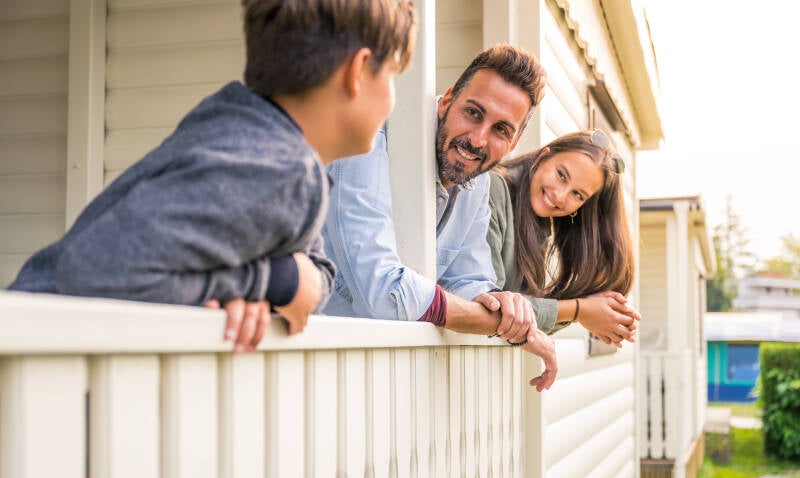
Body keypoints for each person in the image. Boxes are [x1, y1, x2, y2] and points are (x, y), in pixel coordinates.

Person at [7, 0, 418, 353]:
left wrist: (276, 282)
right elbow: (89, 271)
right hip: (33, 370)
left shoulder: (245, 127)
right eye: (393, 75)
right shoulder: (283, 169)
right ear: (359, 72)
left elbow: (315, 275)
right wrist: (267, 280)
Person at [322, 44, 557, 391]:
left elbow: (471, 280)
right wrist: (493, 322)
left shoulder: (477, 183)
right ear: (447, 100)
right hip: (301, 362)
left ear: (515, 141)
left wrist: (506, 307)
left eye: (501, 130)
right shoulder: (368, 136)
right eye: (474, 113)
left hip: (381, 380)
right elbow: (384, 293)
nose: (477, 139)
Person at [487, 130, 641, 347]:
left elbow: (521, 316)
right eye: (561, 175)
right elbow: (489, 309)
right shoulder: (492, 188)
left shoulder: (537, 224)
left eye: (578, 195)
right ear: (543, 157)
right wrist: (580, 310)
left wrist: (593, 311)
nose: (560, 196)